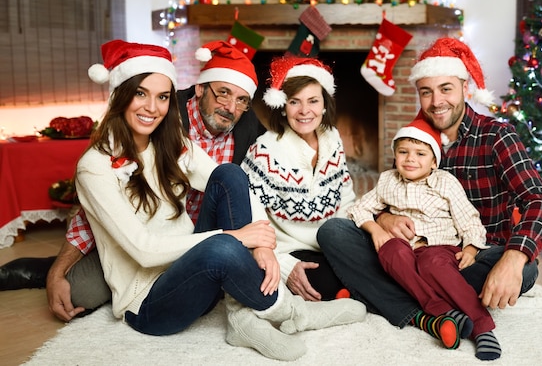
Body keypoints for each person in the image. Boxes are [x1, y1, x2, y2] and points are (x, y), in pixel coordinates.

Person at [72, 39, 365, 361]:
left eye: (162, 97)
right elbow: (144, 250)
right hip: (151, 304)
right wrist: (235, 236)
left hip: (202, 274)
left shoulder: (171, 144)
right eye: (141, 93)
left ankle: (242, 318)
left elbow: (231, 182)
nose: (152, 107)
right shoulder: (94, 167)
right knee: (222, 246)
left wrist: (263, 245)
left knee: (229, 173)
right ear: (120, 95)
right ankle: (293, 313)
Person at [0, 40, 266, 321]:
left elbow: (238, 186)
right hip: (140, 246)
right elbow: (96, 216)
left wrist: (261, 244)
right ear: (200, 89)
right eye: (223, 93)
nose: (230, 106)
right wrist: (59, 269)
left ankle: (246, 302)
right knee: (81, 293)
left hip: (190, 237)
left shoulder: (234, 129)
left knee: (228, 186)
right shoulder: (153, 127)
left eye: (241, 99)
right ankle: (45, 269)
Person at [317, 37, 542, 344]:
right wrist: (386, 221)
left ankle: (391, 298)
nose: (436, 101)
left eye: (446, 89)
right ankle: (432, 312)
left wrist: (513, 258)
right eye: (426, 92)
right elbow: (394, 195)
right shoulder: (414, 141)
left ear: (464, 88)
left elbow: (540, 200)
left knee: (525, 271)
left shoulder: (496, 136)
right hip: (412, 252)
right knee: (334, 232)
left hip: (472, 259)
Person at [349, 116, 499, 360]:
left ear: (433, 162)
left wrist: (471, 249)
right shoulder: (388, 180)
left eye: (420, 154)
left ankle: (483, 328)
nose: (410, 159)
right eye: (403, 152)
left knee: (432, 264)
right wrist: (376, 229)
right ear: (395, 155)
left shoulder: (444, 182)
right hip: (403, 248)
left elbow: (468, 219)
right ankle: (443, 311)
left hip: (438, 247)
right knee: (390, 249)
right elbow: (359, 208)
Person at [241, 56, 356, 301]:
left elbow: (346, 197)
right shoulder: (265, 151)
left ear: (324, 104)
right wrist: (282, 264)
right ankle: (349, 294)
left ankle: (353, 290)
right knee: (322, 282)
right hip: (291, 249)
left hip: (332, 243)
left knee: (378, 257)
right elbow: (251, 219)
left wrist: (349, 244)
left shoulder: (332, 138)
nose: (305, 111)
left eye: (313, 101)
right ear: (283, 106)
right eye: (295, 102)